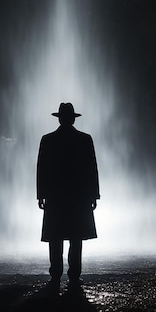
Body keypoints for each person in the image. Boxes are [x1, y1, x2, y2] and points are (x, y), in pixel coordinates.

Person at [36, 102, 100, 289]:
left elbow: (42, 170)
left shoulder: (47, 140)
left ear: (60, 118)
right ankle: (73, 276)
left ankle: (55, 276)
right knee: (76, 236)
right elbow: (91, 169)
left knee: (55, 237)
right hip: (78, 196)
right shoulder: (84, 139)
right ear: (72, 118)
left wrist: (41, 195)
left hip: (56, 196)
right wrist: (93, 195)